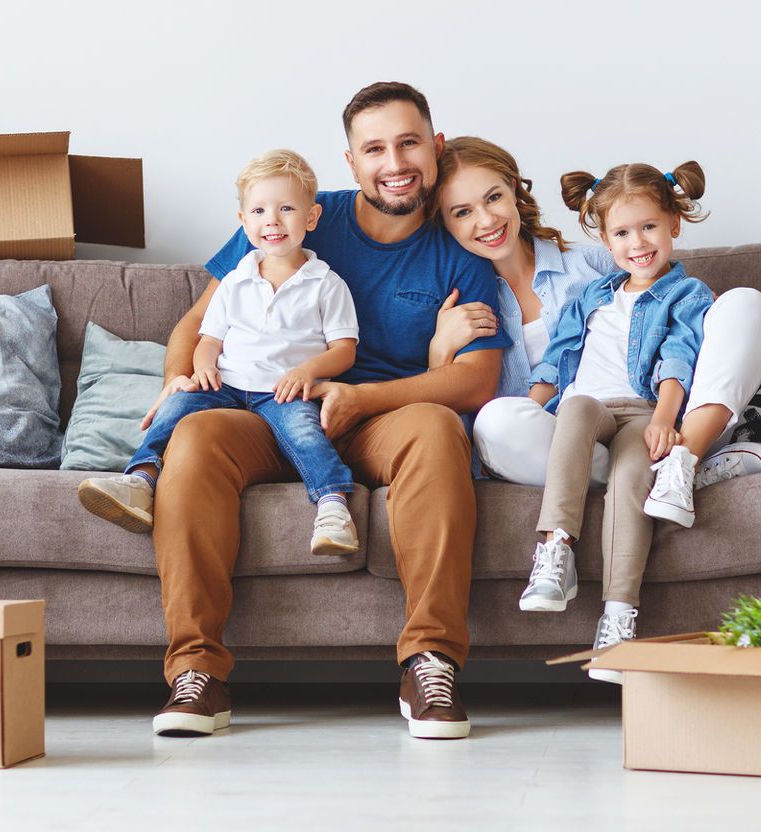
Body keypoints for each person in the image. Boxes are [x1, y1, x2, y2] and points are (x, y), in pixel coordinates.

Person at [144, 82, 508, 740]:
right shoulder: (300, 214)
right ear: (351, 162)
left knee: (434, 428)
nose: (394, 162)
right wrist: (178, 381)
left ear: (436, 146)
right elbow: (197, 324)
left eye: (408, 142)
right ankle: (196, 672)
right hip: (263, 411)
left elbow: (477, 380)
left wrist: (363, 397)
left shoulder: (461, 247)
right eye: (375, 148)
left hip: (380, 421)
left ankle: (430, 661)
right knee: (194, 437)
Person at [430, 142, 761, 663]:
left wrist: (664, 416)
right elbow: (553, 368)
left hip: (651, 421)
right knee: (499, 419)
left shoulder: (590, 268)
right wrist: (441, 352)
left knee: (745, 303)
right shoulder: (458, 296)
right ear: (444, 222)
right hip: (567, 439)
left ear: (517, 193)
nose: (484, 219)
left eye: (493, 197)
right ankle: (571, 536)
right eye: (461, 211)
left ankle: (682, 461)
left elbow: (677, 350)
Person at [77, 150, 362, 557]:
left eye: (286, 209)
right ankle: (140, 481)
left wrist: (309, 371)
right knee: (175, 408)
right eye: (259, 211)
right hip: (226, 385)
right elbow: (209, 337)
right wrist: (202, 366)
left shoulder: (326, 284)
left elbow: (344, 351)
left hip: (283, 392)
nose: (273, 221)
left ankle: (333, 508)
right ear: (244, 222)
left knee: (306, 434)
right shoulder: (235, 280)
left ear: (311, 218)